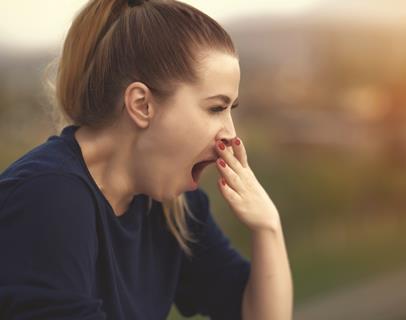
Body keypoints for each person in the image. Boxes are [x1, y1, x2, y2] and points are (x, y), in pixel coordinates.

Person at [0, 0, 293, 319]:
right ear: (141, 105)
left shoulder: (173, 208)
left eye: (229, 110)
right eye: (215, 108)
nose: (229, 135)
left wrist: (268, 227)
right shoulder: (48, 198)